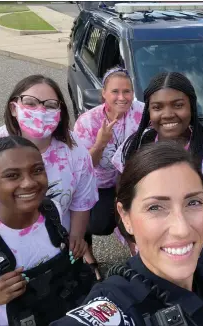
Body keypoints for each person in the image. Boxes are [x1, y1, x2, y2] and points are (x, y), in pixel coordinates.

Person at [50, 141, 203, 326]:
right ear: (125, 218)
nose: (182, 230)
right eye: (155, 208)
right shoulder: (117, 305)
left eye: (193, 202)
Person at [112, 72, 203, 255]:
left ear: (191, 107)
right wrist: (132, 241)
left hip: (195, 251)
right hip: (147, 250)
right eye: (157, 107)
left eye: (178, 105)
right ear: (149, 112)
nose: (167, 114)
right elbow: (122, 188)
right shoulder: (135, 146)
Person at [0, 75, 98, 263]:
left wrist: (77, 236)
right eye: (30, 103)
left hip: (58, 243)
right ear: (13, 108)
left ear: (60, 111)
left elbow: (81, 201)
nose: (41, 111)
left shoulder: (75, 151)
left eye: (50, 105)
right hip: (5, 252)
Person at [0, 136, 94, 326]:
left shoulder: (52, 210)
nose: (28, 183)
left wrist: (73, 247)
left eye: (37, 170)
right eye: (12, 175)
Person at [73, 66, 144, 281]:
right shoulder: (87, 122)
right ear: (103, 93)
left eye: (127, 91)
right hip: (99, 183)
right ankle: (88, 255)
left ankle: (139, 259)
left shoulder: (143, 113)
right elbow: (85, 166)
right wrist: (100, 143)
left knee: (139, 217)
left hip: (132, 180)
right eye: (115, 91)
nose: (122, 97)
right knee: (98, 224)